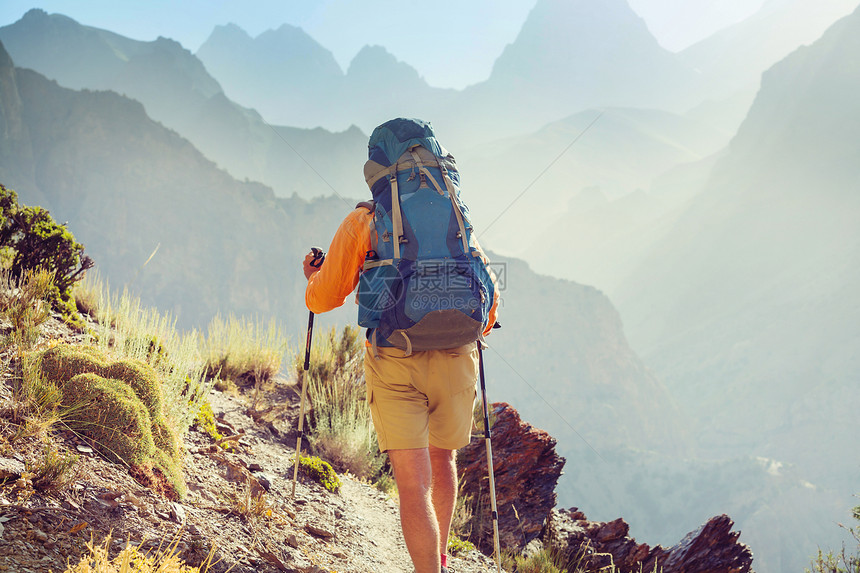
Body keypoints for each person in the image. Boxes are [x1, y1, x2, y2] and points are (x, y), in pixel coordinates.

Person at [302, 119, 499, 573]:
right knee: (443, 457)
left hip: (395, 359)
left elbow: (326, 296)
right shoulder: (456, 213)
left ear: (376, 168)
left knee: (413, 485)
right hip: (457, 357)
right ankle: (442, 559)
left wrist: (312, 276)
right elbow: (486, 294)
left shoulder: (365, 221)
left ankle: (428, 569)